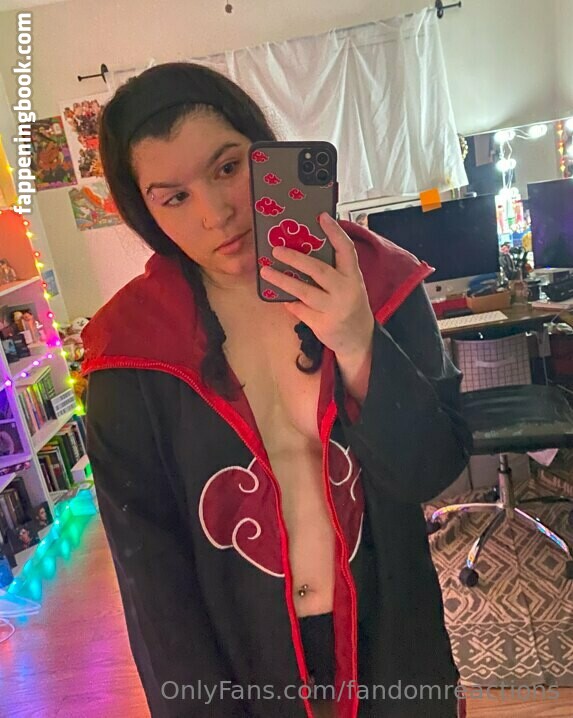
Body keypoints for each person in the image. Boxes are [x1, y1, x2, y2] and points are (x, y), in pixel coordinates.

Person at [83, 62, 472, 718]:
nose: (215, 213)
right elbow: (150, 573)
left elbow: (432, 471)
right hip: (239, 663)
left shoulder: (379, 278)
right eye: (173, 197)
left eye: (227, 167)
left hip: (393, 637)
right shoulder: (129, 349)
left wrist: (358, 340)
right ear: (145, 212)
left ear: (265, 154)